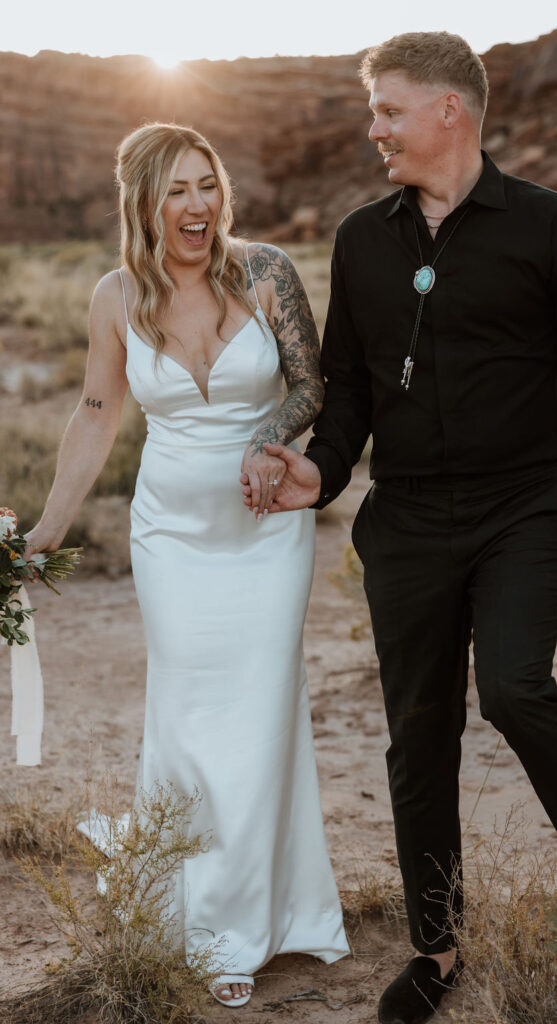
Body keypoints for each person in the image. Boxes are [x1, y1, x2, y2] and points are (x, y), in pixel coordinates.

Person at [243, 32, 557, 1024]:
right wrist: (319, 469)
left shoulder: (551, 227)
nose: (373, 130)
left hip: (521, 506)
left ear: (450, 110)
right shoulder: (361, 239)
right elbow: (349, 390)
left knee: (516, 687)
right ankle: (436, 948)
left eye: (388, 111)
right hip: (402, 521)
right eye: (371, 112)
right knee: (416, 734)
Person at [25, 122, 349, 1008]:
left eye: (206, 184)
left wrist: (268, 438)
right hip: (170, 536)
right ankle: (195, 913)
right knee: (190, 713)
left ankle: (251, 918)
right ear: (143, 204)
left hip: (267, 530)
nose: (198, 205)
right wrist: (48, 528)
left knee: (260, 713)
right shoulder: (114, 298)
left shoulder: (266, 270)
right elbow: (96, 415)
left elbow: (309, 383)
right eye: (175, 189)